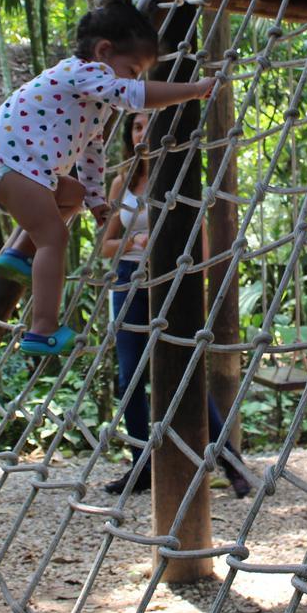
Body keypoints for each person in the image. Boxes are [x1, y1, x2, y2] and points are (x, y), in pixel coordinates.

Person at [0, 0, 213, 357]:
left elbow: (90, 154)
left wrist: (97, 200)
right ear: (103, 52)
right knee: (54, 236)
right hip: (9, 164)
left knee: (71, 195)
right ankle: (42, 329)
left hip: (17, 168)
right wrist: (193, 90)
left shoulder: (92, 104)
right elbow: (134, 95)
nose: (133, 79)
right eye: (132, 69)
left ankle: (18, 253)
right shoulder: (81, 73)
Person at [99, 111, 252, 497]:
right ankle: (141, 465)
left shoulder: (183, 180)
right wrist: (136, 243)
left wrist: (170, 259)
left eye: (150, 123)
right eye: (136, 125)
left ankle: (229, 460)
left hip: (172, 287)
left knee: (186, 376)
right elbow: (106, 247)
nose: (143, 131)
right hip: (130, 284)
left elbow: (199, 250)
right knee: (130, 379)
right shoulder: (123, 184)